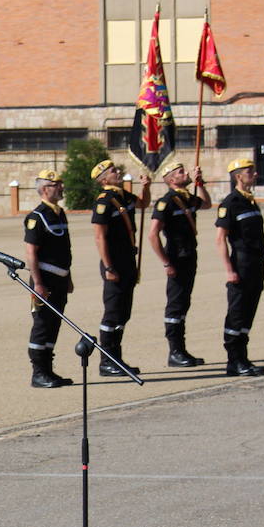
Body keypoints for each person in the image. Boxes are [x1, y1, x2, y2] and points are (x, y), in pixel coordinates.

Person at [90, 158, 150, 375]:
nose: (117, 172)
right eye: (113, 170)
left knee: (124, 313)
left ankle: (116, 358)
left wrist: (146, 187)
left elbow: (142, 204)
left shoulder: (123, 196)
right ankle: (106, 360)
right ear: (104, 179)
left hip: (127, 261)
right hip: (114, 263)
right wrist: (108, 267)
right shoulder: (104, 201)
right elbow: (100, 237)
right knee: (113, 313)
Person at [146, 162, 209, 367]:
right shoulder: (167, 202)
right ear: (171, 179)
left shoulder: (187, 198)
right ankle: (174, 352)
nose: (186, 173)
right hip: (176, 257)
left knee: (184, 303)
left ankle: (181, 350)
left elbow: (206, 203)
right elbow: (153, 234)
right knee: (175, 304)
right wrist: (166, 262)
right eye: (181, 172)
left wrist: (200, 182)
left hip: (190, 255)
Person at [214, 158, 264, 377]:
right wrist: (229, 269)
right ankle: (234, 360)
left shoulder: (250, 201)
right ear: (238, 176)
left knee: (248, 313)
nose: (254, 174)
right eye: (250, 171)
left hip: (256, 264)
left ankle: (243, 357)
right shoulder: (231, 203)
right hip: (241, 265)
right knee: (237, 314)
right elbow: (220, 239)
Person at [23, 170, 75, 388]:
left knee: (54, 325)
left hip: (60, 280)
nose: (61, 188)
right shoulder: (37, 217)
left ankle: (48, 370)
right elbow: (31, 253)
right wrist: (38, 284)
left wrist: (68, 277)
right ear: (45, 189)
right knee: (42, 325)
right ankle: (38, 372)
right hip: (44, 280)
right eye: (56, 185)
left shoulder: (59, 213)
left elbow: (64, 249)